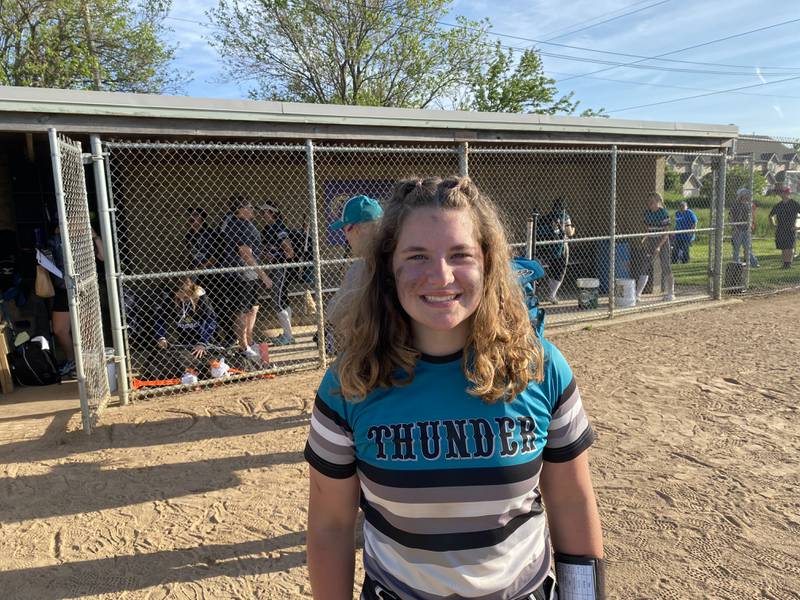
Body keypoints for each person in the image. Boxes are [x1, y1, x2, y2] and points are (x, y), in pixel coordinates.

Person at [305, 176, 605, 600]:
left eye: (460, 254)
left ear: (487, 262)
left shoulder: (539, 367)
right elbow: (330, 527)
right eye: (417, 256)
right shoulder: (350, 382)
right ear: (389, 268)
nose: (440, 276)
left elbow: (572, 503)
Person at [325, 194, 383, 350]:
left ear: (357, 229)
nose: (346, 237)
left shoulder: (363, 266)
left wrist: (327, 325)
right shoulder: (399, 252)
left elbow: (337, 309)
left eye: (345, 229)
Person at [46, 224, 105, 378]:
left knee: (86, 330)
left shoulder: (87, 238)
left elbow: (104, 257)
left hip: (84, 287)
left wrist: (95, 236)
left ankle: (90, 366)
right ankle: (73, 360)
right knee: (59, 329)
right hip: (63, 288)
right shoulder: (57, 240)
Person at [220, 194, 272, 363]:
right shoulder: (236, 225)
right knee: (242, 311)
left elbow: (253, 249)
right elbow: (245, 253)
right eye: (249, 207)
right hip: (241, 274)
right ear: (240, 210)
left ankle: (250, 340)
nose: (252, 210)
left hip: (251, 274)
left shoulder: (247, 224)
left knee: (253, 308)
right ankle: (244, 346)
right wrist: (263, 275)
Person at [151, 277, 217, 378]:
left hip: (203, 340)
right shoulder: (172, 298)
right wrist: (161, 337)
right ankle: (190, 373)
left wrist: (203, 342)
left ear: (192, 293)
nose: (182, 300)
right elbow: (159, 318)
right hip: (184, 341)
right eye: (179, 298)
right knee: (177, 358)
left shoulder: (201, 298)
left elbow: (211, 320)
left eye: (186, 298)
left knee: (210, 360)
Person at [259, 202, 296, 346]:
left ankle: (288, 336)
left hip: (281, 267)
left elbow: (289, 251)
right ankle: (288, 333)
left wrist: (276, 257)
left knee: (278, 299)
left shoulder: (279, 227)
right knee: (282, 299)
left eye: (266, 212)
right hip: (274, 266)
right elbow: (266, 249)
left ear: (273, 213)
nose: (263, 215)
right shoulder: (267, 229)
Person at [634, 192, 674, 302]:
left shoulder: (663, 213)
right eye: (648, 202)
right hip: (651, 241)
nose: (649, 204)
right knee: (645, 266)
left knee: (666, 266)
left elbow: (666, 233)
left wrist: (659, 247)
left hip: (662, 241)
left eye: (652, 202)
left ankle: (671, 293)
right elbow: (647, 229)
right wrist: (644, 239)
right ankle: (638, 294)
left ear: (657, 202)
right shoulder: (647, 213)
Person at [537, 198, 575, 304]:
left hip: (549, 248)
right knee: (560, 271)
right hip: (561, 247)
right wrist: (573, 229)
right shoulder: (565, 216)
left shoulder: (548, 216)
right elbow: (569, 232)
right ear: (564, 207)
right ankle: (552, 295)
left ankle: (549, 294)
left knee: (553, 269)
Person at [768, 186, 800, 269]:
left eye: (784, 192)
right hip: (781, 228)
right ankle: (785, 264)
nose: (782, 194)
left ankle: (788, 264)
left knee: (789, 246)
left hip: (790, 228)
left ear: (788, 193)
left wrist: (798, 227)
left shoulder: (794, 204)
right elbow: (771, 215)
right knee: (783, 247)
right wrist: (773, 224)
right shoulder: (779, 205)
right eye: (781, 192)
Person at [730, 189, 759, 268]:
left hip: (746, 229)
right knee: (736, 248)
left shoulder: (748, 205)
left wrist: (751, 225)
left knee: (747, 247)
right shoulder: (735, 205)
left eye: (747, 194)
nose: (747, 196)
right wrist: (734, 227)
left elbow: (751, 216)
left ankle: (754, 262)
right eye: (745, 194)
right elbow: (731, 216)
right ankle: (736, 263)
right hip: (738, 229)